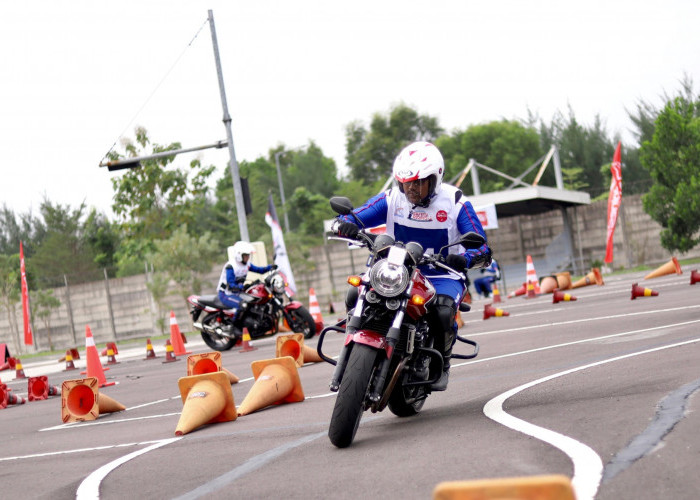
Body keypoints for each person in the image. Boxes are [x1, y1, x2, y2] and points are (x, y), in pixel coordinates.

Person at [335, 141, 492, 391]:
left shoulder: (456, 202)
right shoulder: (391, 198)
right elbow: (354, 216)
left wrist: (465, 258)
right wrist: (345, 223)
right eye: (406, 182)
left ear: (435, 178)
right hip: (396, 270)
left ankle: (443, 363)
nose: (411, 189)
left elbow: (482, 247)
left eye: (418, 182)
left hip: (442, 275)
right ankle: (353, 340)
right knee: (356, 291)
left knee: (442, 311)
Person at [217, 241, 277, 328]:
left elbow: (259, 270)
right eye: (246, 255)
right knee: (242, 305)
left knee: (252, 302)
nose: (248, 257)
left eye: (248, 255)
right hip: (226, 294)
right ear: (239, 255)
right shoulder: (231, 266)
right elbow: (230, 285)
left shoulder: (247, 264)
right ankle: (234, 328)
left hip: (237, 293)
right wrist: (239, 286)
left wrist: (270, 267)